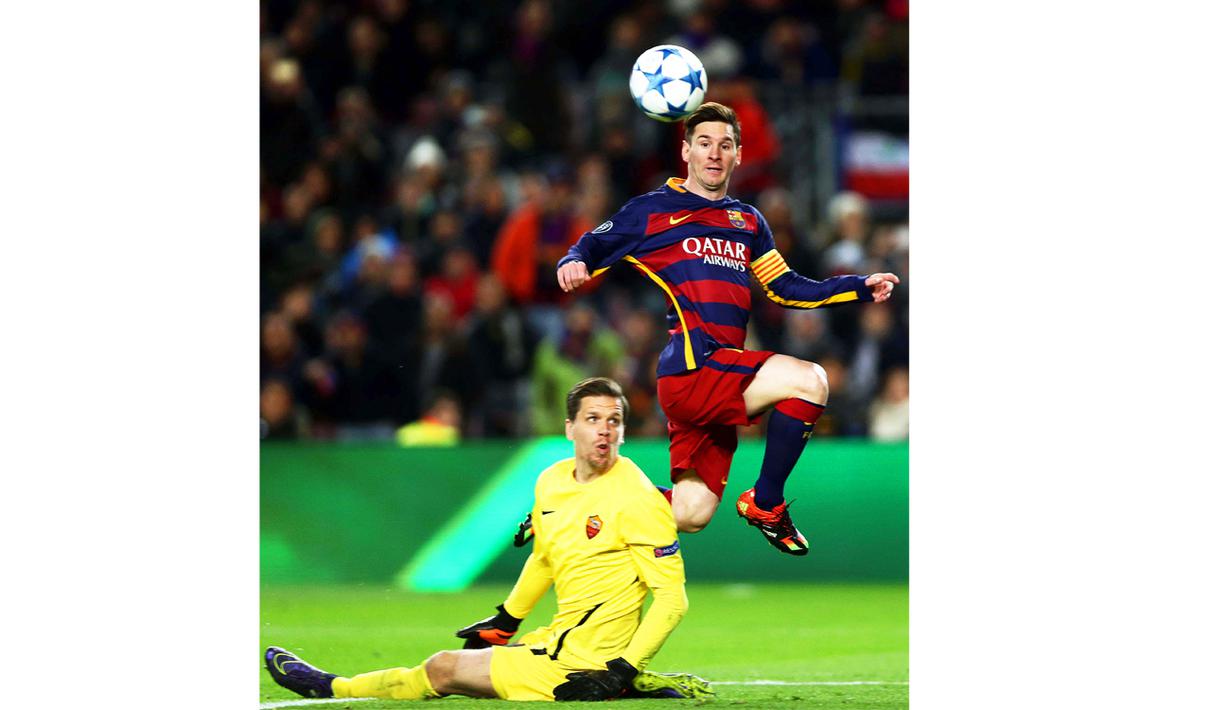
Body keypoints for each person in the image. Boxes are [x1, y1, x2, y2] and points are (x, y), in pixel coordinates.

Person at [555, 102, 900, 556]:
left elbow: (787, 287)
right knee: (810, 380)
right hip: (694, 369)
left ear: (738, 154)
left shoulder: (748, 222)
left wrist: (858, 286)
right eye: (704, 144)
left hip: (721, 376)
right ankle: (766, 503)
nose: (714, 153)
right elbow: (592, 244)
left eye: (725, 144)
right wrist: (574, 261)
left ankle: (577, 504)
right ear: (686, 151)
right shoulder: (654, 210)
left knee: (690, 512)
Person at [264, 377, 713, 702]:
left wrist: (618, 671)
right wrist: (506, 619)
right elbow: (544, 557)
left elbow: (673, 601)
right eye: (593, 419)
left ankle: (329, 687)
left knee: (443, 669)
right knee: (464, 667)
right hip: (556, 643)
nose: (605, 430)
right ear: (569, 428)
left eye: (614, 421)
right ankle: (630, 685)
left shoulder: (639, 497)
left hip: (587, 665)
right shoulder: (551, 481)